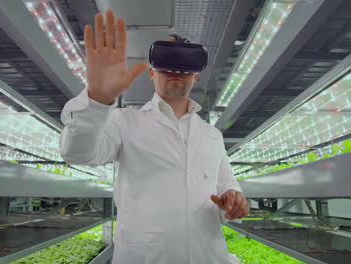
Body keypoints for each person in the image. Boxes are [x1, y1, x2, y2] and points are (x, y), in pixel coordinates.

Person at [59, 9, 250, 264]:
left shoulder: (212, 135)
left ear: (196, 76)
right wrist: (97, 100)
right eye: (166, 62)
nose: (175, 69)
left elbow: (229, 187)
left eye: (185, 65)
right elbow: (78, 154)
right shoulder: (124, 121)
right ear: (151, 73)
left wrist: (234, 204)